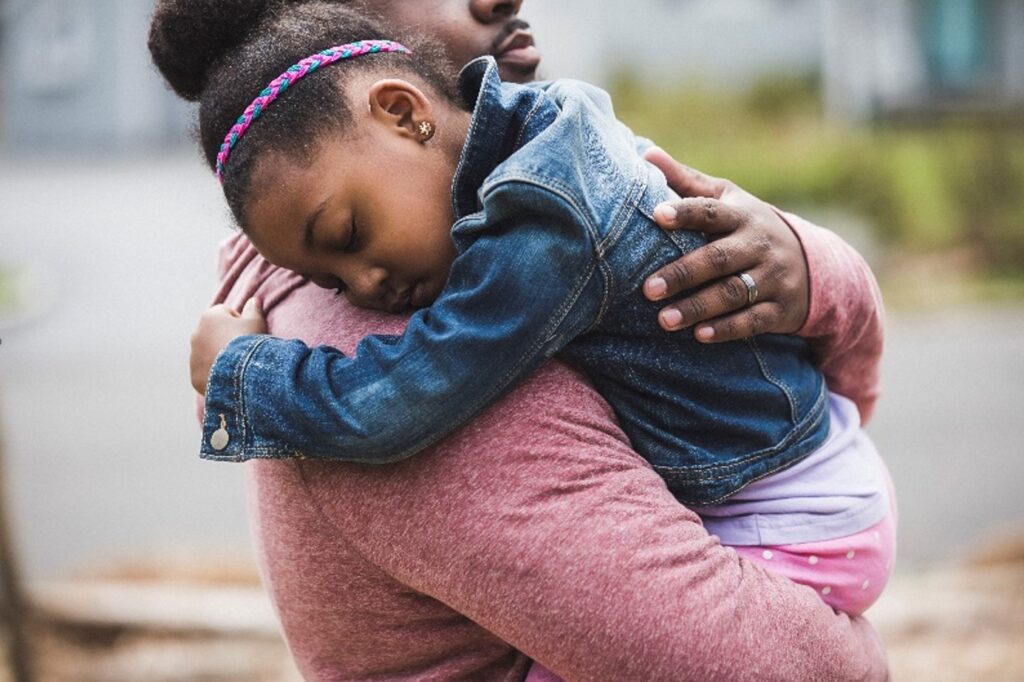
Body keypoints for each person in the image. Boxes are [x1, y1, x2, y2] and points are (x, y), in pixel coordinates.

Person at [149, 0, 890, 678]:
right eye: (334, 274)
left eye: (349, 240)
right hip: (799, 486)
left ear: (404, 111)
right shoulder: (424, 229)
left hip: (787, 498)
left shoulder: (520, 198)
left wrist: (242, 378)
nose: (364, 287)